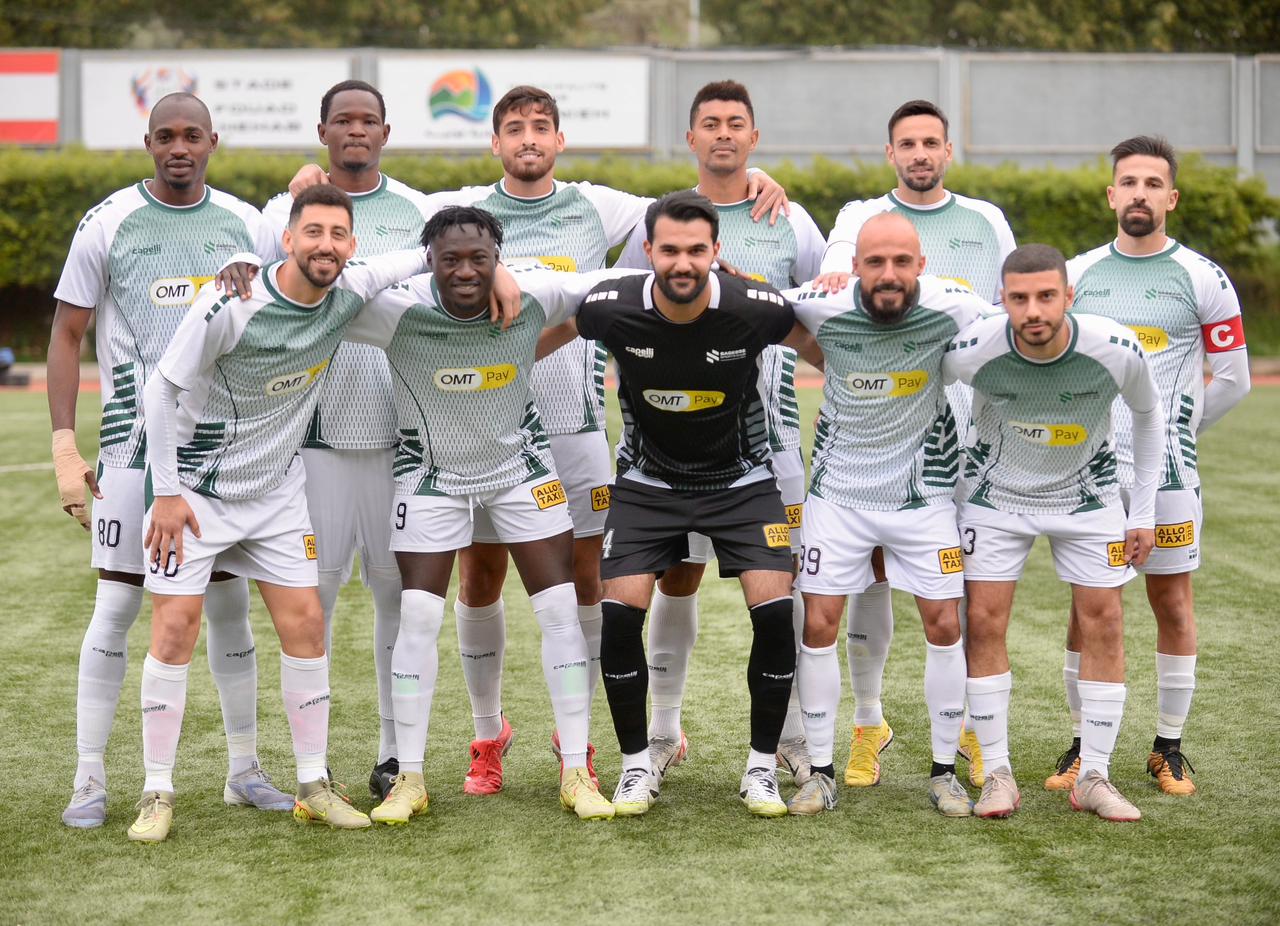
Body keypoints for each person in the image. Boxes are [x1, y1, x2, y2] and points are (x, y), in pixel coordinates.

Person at [288, 84, 790, 795]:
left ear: (559, 139)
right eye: (515, 128)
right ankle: (486, 735)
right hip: (481, 430)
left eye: (541, 127)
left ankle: (578, 744)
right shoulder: (459, 205)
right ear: (494, 142)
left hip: (573, 430)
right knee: (480, 578)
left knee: (587, 585)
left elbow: (676, 219)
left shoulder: (595, 205)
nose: (529, 138)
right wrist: (313, 180)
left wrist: (748, 179)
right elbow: (398, 225)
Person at [128, 183, 436, 841]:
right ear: (288, 239)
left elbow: (423, 254)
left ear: (351, 246)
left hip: (275, 494)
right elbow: (161, 391)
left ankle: (313, 785)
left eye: (338, 234)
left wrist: (494, 271)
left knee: (306, 624)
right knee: (175, 628)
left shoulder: (350, 288)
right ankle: (156, 791)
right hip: (197, 492)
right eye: (313, 232)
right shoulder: (232, 301)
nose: (326, 245)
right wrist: (167, 494)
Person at [340, 207, 639, 823]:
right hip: (430, 477)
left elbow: (612, 282)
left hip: (521, 472)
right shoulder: (397, 310)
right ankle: (410, 778)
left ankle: (576, 770)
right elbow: (331, 287)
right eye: (449, 259)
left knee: (560, 612)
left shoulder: (534, 294)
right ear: (429, 260)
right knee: (418, 618)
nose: (465, 271)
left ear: (499, 259)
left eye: (479, 258)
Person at [542, 190, 823, 817]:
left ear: (716, 251)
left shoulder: (753, 307)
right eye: (669, 250)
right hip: (649, 485)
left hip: (742, 483)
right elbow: (535, 340)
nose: (683, 263)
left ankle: (761, 768)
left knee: (777, 614)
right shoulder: (613, 308)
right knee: (619, 620)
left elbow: (828, 350)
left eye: (697, 250)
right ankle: (637, 767)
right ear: (648, 251)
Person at [49, 91, 287, 829]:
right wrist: (64, 444)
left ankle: (244, 770)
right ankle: (89, 778)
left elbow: (284, 317)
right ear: (149, 143)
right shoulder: (108, 222)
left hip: (219, 454)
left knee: (229, 607)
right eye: (166, 137)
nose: (179, 148)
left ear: (212, 141)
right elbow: (66, 334)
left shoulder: (247, 224)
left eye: (191, 136)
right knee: (118, 606)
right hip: (130, 452)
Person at [616, 80, 826, 786]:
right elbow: (625, 309)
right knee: (676, 577)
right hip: (671, 447)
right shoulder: (664, 220)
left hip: (769, 444)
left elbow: (821, 308)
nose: (724, 134)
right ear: (692, 138)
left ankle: (791, 738)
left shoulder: (788, 219)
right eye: (711, 123)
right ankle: (663, 733)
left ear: (753, 137)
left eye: (737, 123)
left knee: (781, 587)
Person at [813, 100, 1017, 789]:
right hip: (885, 432)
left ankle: (969, 730)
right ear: (891, 153)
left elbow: (1007, 310)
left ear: (948, 151)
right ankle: (869, 722)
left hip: (966, 434)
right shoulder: (859, 216)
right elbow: (837, 274)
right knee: (867, 576)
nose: (921, 153)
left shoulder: (986, 220)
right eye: (908, 143)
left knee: (959, 596)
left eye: (932, 142)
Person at [1043, 136, 1250, 796]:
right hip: (1094, 476)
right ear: (1111, 195)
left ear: (1171, 198)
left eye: (1152, 183)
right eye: (1128, 182)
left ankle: (1168, 746)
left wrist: (1174, 436)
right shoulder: (1078, 275)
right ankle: (1083, 743)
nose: (1139, 193)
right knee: (1088, 607)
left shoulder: (1202, 277)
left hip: (1169, 479)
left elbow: (1234, 379)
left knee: (1173, 603)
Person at [259, 80, 443, 801]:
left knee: (399, 600)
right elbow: (253, 289)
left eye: (369, 121)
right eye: (343, 120)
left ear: (386, 133)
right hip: (315, 441)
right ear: (323, 131)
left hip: (403, 442)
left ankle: (395, 756)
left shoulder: (418, 211)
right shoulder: (283, 210)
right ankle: (317, 763)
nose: (356, 131)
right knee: (315, 603)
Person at [943, 243, 1165, 822]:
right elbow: (925, 396)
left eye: (1046, 296)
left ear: (1070, 295)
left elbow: (1149, 415)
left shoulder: (1114, 348)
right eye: (1019, 298)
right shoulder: (974, 349)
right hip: (996, 498)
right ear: (1002, 299)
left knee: (1105, 620)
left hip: (1088, 498)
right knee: (983, 620)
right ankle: (997, 774)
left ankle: (1094, 776)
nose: (1034, 311)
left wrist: (1141, 513)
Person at [784, 213, 989, 816]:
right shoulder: (823, 303)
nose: (889, 274)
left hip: (924, 498)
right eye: (875, 262)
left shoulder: (955, 305)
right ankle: (821, 773)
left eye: (902, 261)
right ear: (855, 267)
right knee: (818, 624)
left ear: (921, 265)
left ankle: (945, 772)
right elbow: (758, 304)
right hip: (838, 496)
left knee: (944, 624)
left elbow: (1019, 330)